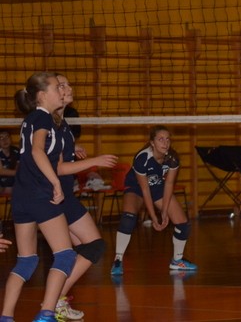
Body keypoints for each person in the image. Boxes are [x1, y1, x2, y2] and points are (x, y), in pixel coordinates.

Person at [1, 72, 77, 322]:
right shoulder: (42, 117)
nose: (62, 91)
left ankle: (6, 317)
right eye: (57, 87)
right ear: (42, 95)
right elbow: (37, 151)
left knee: (27, 261)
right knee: (65, 255)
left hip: (21, 196)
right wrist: (55, 182)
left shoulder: (33, 119)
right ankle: (46, 315)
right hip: (39, 193)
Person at [53, 74, 118, 320]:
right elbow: (58, 167)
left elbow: (55, 156)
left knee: (77, 250)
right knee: (94, 246)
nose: (69, 88)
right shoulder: (51, 124)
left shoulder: (61, 123)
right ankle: (56, 298)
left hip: (60, 194)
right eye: (62, 85)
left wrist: (73, 149)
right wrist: (95, 161)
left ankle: (56, 301)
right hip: (58, 195)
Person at [110, 125, 197, 275]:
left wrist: (164, 211)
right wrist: (154, 217)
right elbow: (145, 190)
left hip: (157, 186)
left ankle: (177, 261)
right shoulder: (142, 158)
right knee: (128, 218)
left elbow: (169, 184)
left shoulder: (172, 159)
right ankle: (118, 260)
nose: (165, 143)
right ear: (152, 142)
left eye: (167, 139)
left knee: (183, 224)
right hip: (137, 187)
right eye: (160, 139)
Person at [0, 129, 20, 195]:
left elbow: (18, 168)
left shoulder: (16, 151)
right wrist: (17, 173)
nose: (4, 140)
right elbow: (1, 171)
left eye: (7, 137)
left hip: (12, 181)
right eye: (1, 138)